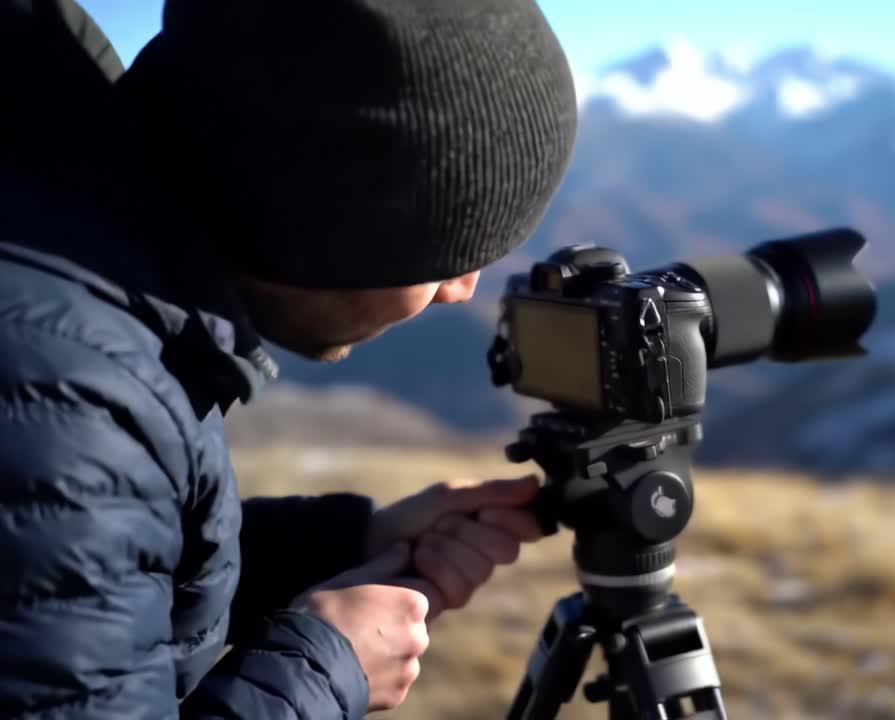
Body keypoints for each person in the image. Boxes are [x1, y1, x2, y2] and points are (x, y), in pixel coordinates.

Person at [0, 0, 578, 717]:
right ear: (325, 227)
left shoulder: (84, 243)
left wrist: (344, 543)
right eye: (450, 252)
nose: (463, 292)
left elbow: (70, 575)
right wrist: (322, 671)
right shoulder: (68, 398)